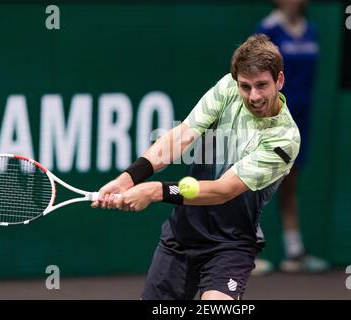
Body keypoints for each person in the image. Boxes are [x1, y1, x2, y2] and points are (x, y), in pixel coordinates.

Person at [91, 34, 300, 300]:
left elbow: (223, 190)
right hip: (182, 237)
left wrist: (155, 191)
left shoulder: (284, 139)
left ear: (279, 80)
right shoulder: (227, 88)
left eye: (262, 85)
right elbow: (182, 136)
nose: (254, 96)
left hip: (231, 243)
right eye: (245, 86)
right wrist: (129, 178)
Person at [252, 0, 330, 275]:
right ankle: (245, 253)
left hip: (301, 119)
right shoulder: (267, 30)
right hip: (273, 118)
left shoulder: (311, 30)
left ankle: (295, 252)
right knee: (256, 184)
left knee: (289, 183)